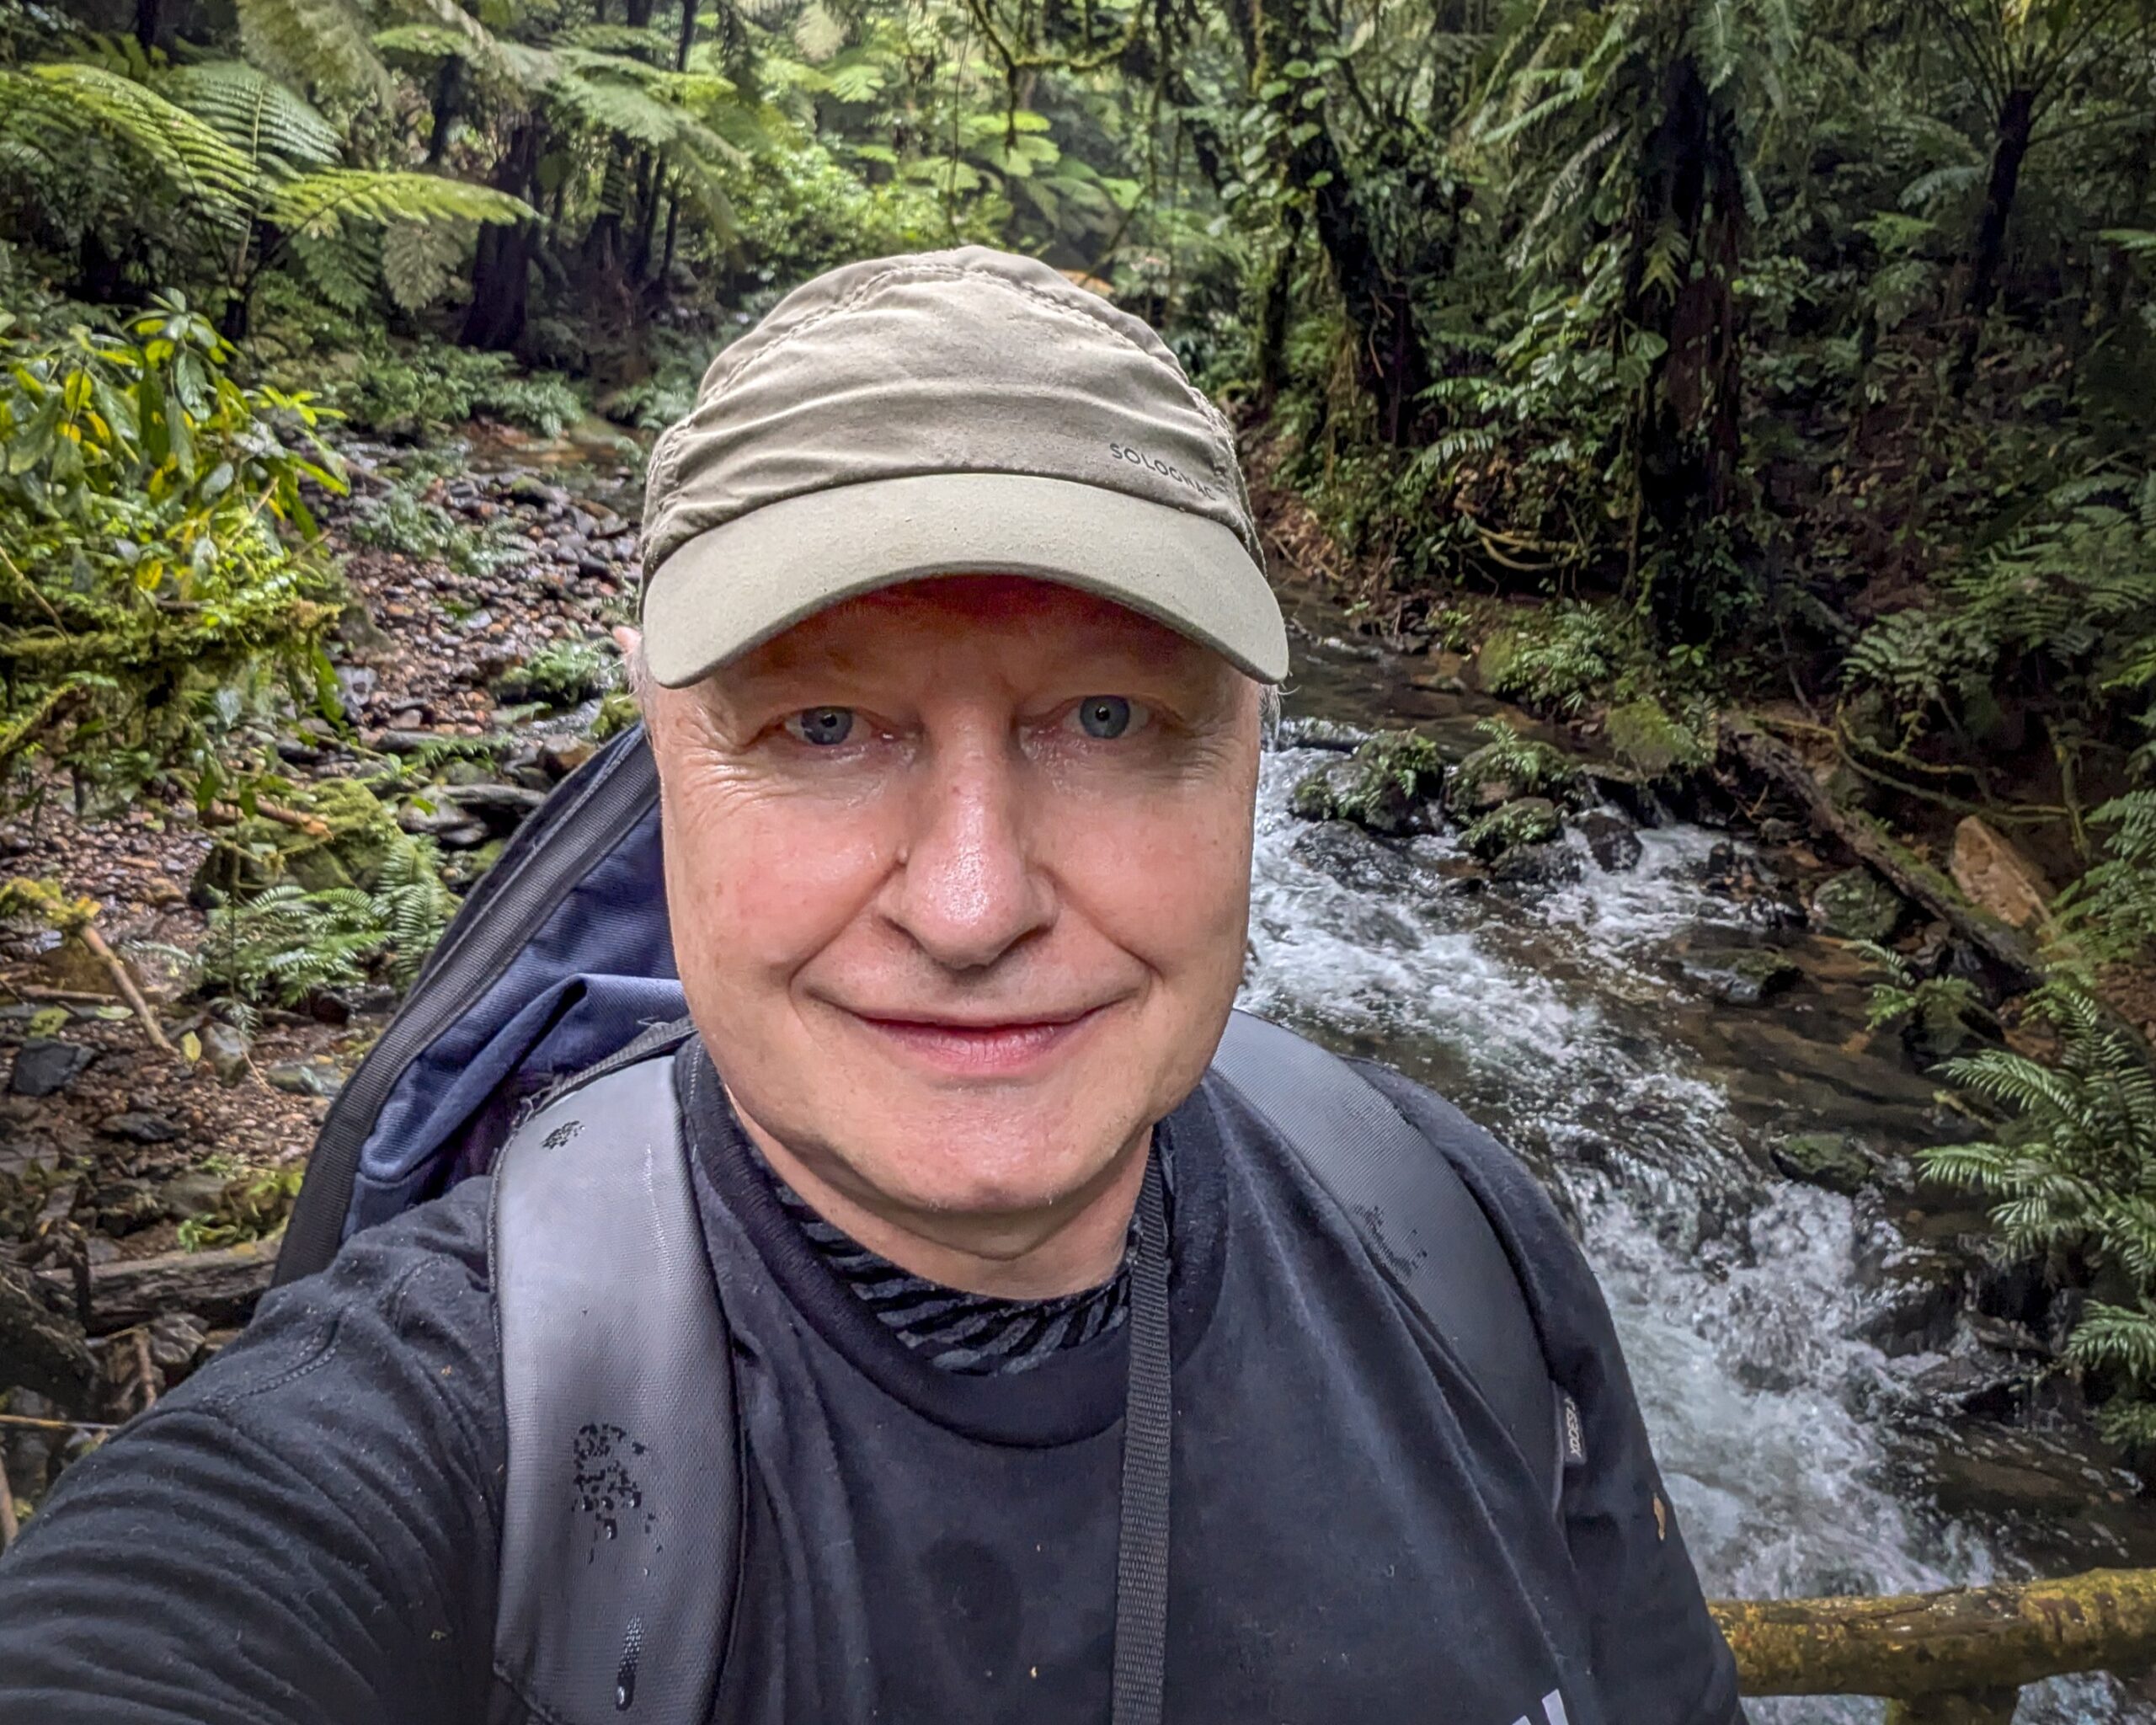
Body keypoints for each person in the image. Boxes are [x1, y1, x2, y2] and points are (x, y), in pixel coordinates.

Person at [0, 246, 1743, 1725]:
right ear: (661, 752)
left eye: (1111, 718)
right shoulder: (442, 1422)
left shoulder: (1459, 1251)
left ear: (1253, 759)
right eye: (822, 726)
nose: (971, 903)